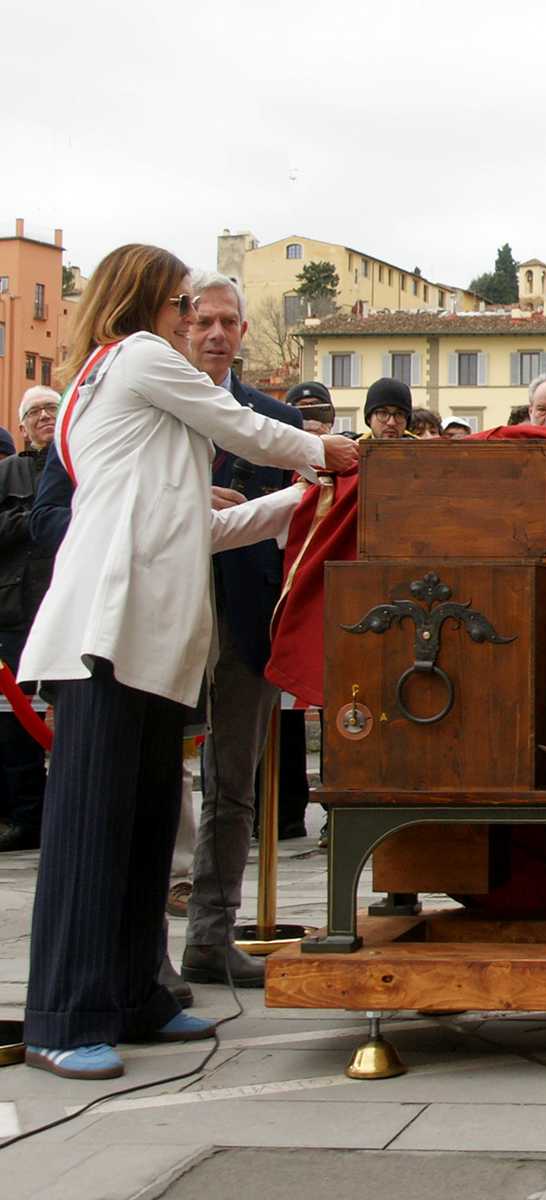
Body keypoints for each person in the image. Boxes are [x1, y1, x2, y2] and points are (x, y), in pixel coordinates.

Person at [18, 244, 358, 1079]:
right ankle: (64, 1015)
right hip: (109, 634)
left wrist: (300, 499)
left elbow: (201, 530)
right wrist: (326, 455)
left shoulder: (133, 394)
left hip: (147, 645)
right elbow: (240, 422)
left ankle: (136, 996)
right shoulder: (135, 357)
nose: (187, 319)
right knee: (93, 832)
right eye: (180, 303)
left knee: (139, 830)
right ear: (146, 301)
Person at [180, 272, 305, 990]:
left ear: (243, 332)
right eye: (204, 322)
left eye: (229, 321)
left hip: (244, 619)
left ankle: (209, 936)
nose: (218, 333)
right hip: (157, 612)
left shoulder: (270, 418)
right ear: (182, 327)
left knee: (232, 785)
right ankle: (134, 943)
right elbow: (55, 518)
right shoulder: (143, 409)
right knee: (147, 782)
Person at [0, 386, 60, 852]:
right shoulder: (8, 472)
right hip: (17, 612)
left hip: (66, 606)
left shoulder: (81, 465)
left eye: (51, 409)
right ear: (22, 426)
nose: (43, 417)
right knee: (15, 722)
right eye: (34, 412)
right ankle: (25, 817)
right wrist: (34, 518)